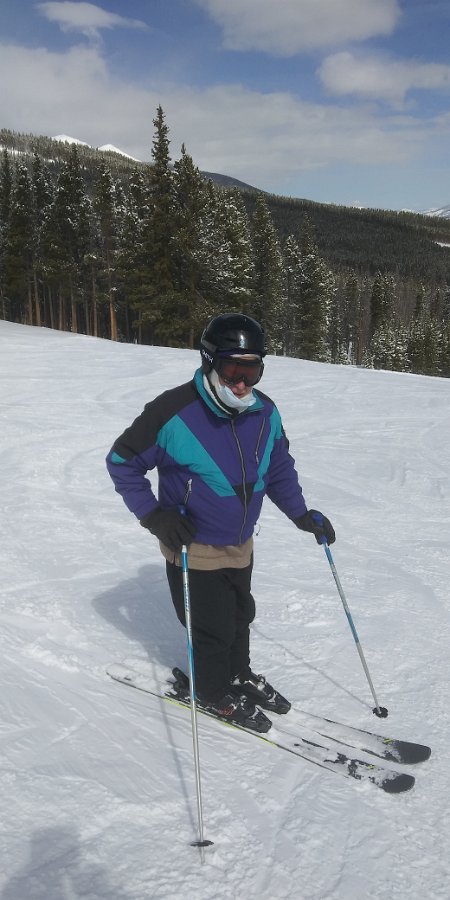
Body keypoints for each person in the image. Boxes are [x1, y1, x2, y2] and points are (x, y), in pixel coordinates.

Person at [106, 313, 335, 733]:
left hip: (240, 541)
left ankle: (236, 672)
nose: (242, 382)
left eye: (252, 370)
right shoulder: (172, 412)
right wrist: (155, 517)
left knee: (240, 615)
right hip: (192, 544)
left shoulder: (265, 413)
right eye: (233, 369)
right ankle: (211, 690)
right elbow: (122, 462)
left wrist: (301, 513)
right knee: (210, 628)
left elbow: (278, 468)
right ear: (209, 361)